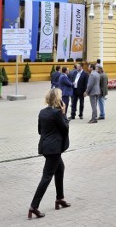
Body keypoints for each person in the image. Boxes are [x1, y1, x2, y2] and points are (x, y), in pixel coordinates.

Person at [28, 88, 70, 219]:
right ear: (58, 99)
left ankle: (60, 198)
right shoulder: (57, 113)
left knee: (60, 169)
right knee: (46, 177)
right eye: (61, 96)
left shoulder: (42, 112)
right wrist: (64, 114)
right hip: (54, 149)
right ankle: (34, 207)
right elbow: (65, 128)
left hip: (46, 146)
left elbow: (40, 131)